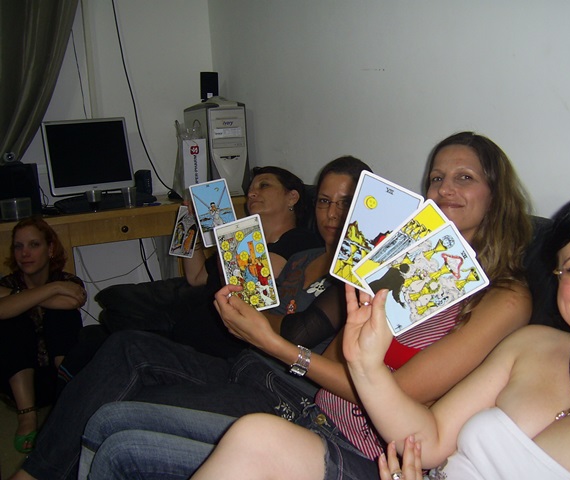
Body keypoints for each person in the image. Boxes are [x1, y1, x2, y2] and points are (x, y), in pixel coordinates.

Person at [82, 131, 534, 479]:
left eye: (464, 177)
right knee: (109, 420)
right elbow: (339, 360)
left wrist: (273, 344)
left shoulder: (505, 297)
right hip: (314, 414)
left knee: (123, 451)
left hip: (366, 455)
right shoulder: (403, 263)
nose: (445, 188)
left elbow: (396, 394)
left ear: (496, 195)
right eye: (436, 177)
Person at [197, 187, 570, 480]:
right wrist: (366, 364)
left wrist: (274, 345)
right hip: (345, 428)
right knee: (253, 435)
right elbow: (427, 442)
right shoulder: (533, 345)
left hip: (353, 447)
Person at [10, 155, 371, 480]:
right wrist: (197, 230)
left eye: (345, 202)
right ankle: (35, 472)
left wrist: (254, 317)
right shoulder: (304, 258)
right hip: (244, 363)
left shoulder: (357, 274)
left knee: (121, 416)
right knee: (126, 345)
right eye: (324, 201)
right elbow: (247, 299)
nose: (332, 213)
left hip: (278, 391)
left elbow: (293, 331)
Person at [95, 166, 322, 357]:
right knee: (97, 340)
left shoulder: (300, 240)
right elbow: (195, 277)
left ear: (292, 197)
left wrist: (220, 230)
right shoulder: (242, 241)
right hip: (189, 335)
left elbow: (247, 282)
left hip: (224, 346)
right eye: (250, 189)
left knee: (124, 346)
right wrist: (191, 228)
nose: (252, 193)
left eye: (264, 185)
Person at [0, 217, 86, 453]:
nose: (24, 253)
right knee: (11, 319)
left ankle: (69, 401)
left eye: (34, 245)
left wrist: (19, 296)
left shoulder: (68, 281)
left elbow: (73, 301)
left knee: (61, 316)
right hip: (16, 381)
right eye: (18, 246)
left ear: (50, 249)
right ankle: (27, 416)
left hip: (56, 378)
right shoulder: (8, 282)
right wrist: (52, 290)